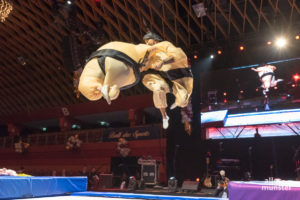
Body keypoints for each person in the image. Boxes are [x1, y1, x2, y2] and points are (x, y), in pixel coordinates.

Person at [78, 41, 159, 105]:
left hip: (113, 62)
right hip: (112, 57)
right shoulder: (137, 49)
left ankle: (106, 89)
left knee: (109, 92)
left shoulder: (87, 83)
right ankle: (106, 89)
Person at [142, 31, 193, 129]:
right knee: (157, 89)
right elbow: (146, 65)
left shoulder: (164, 44)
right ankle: (164, 116)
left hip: (181, 74)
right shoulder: (150, 53)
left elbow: (179, 56)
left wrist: (163, 62)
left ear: (155, 40)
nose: (147, 43)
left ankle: (177, 99)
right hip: (165, 76)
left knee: (182, 102)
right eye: (145, 42)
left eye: (148, 40)